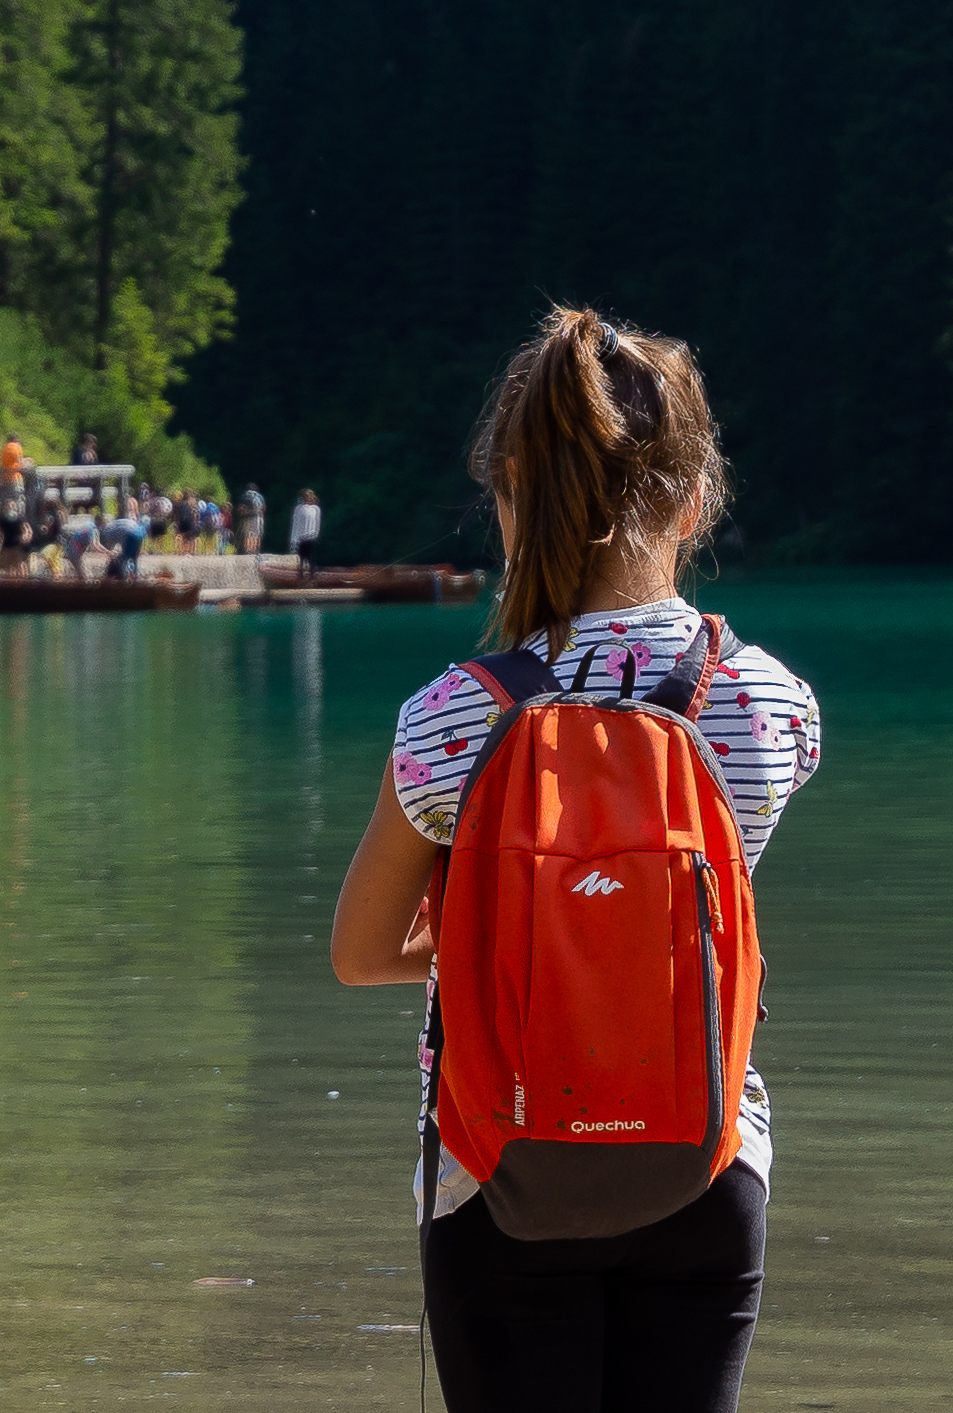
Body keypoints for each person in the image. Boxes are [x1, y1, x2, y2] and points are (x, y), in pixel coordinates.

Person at [328, 308, 822, 1413]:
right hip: (705, 1155)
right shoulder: (773, 706)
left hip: (494, 1174)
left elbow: (361, 954)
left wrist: (507, 947)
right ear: (695, 502)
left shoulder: (451, 720)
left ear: (510, 502)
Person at [102, 498, 147, 580]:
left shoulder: (107, 533)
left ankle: (122, 577)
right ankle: (134, 576)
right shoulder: (112, 526)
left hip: (131, 534)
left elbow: (112, 546)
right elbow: (122, 540)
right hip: (139, 532)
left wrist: (111, 556)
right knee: (134, 558)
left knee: (124, 558)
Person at [289, 489, 321, 578]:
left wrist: (316, 533)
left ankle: (312, 574)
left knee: (309, 555)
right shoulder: (298, 508)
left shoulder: (315, 509)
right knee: (301, 556)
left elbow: (317, 522)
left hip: (311, 536)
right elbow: (296, 524)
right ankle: (301, 574)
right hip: (301, 536)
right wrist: (294, 539)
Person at [238, 483, 266, 553]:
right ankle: (255, 549)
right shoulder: (259, 497)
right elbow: (263, 508)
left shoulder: (245, 495)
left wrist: (242, 516)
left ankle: (248, 550)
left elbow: (242, 507)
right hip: (257, 516)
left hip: (248, 516)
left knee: (248, 534)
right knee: (256, 534)